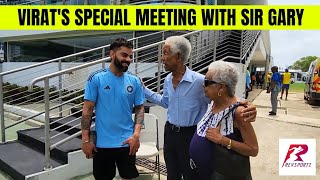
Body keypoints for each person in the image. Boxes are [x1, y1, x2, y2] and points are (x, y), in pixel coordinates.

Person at [143, 36, 257, 180]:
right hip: (170, 133)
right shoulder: (167, 80)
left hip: (189, 134)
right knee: (172, 173)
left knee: (190, 174)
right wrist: (144, 90)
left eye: (165, 53)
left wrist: (246, 104)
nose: (162, 58)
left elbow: (224, 99)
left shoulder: (199, 81)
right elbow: (165, 102)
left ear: (178, 57)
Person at [81, 38, 145, 180]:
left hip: (127, 142)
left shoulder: (134, 81)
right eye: (124, 55)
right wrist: (85, 140)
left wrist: (136, 136)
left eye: (130, 56)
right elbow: (87, 110)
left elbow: (140, 108)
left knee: (128, 177)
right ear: (112, 54)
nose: (128, 59)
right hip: (102, 144)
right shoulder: (96, 78)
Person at [189, 61, 258, 180]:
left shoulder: (239, 112)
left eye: (206, 82)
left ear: (221, 87)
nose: (203, 86)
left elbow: (253, 149)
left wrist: (223, 140)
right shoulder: (212, 103)